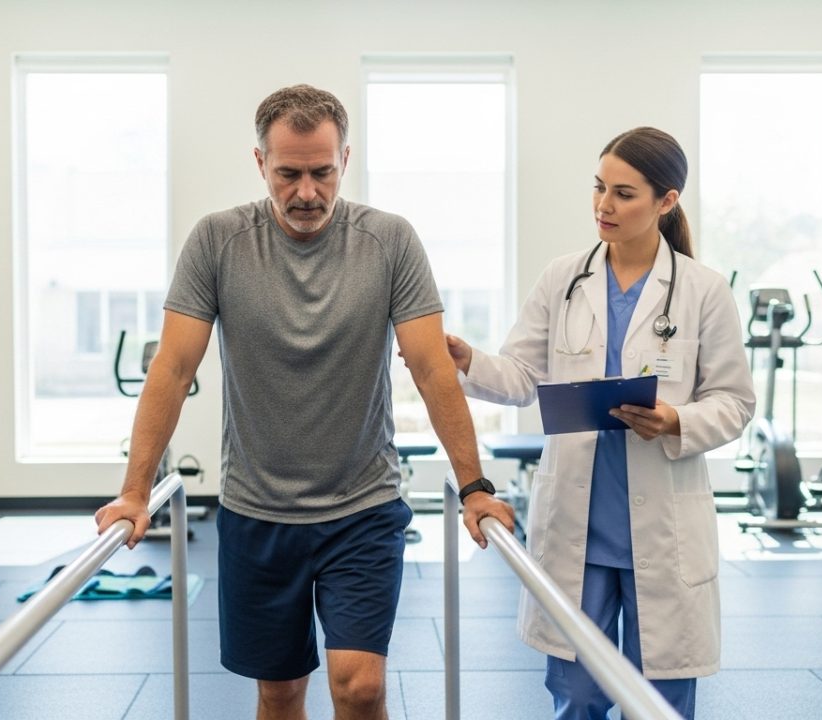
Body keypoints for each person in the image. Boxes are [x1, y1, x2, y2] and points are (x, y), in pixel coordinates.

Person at [94, 84, 514, 720]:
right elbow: (173, 369)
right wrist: (134, 491)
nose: (307, 192)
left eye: (322, 172)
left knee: (361, 686)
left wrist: (475, 488)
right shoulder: (217, 241)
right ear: (260, 162)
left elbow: (431, 369)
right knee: (280, 692)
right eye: (288, 174)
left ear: (346, 159)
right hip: (256, 511)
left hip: (363, 507)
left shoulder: (390, 241)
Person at [445, 127, 755, 719]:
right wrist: (467, 362)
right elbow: (521, 376)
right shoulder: (563, 279)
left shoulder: (703, 291)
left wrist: (674, 420)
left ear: (667, 201)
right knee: (579, 694)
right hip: (578, 525)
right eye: (598, 188)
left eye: (623, 193)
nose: (603, 205)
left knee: (660, 698)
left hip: (663, 526)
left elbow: (735, 402)